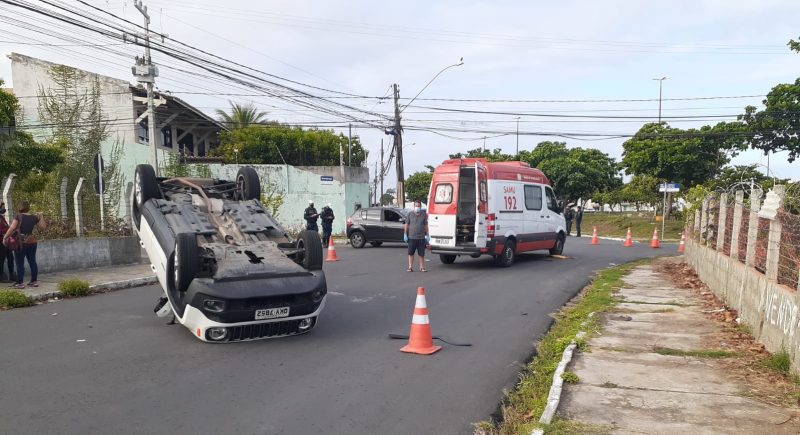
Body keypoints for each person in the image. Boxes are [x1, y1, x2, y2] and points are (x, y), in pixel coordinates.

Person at [3, 201, 46, 289]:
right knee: (32, 261)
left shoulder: (18, 216)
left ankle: (20, 283)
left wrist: (5, 237)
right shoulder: (34, 217)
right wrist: (41, 217)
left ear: (20, 207)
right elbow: (43, 227)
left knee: (20, 263)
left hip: (20, 243)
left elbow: (12, 228)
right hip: (32, 241)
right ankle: (34, 281)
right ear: (28, 207)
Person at [403, 200, 430, 272]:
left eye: (418, 206)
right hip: (411, 237)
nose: (417, 207)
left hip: (421, 238)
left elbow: (426, 225)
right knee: (410, 253)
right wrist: (405, 234)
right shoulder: (410, 214)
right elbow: (406, 224)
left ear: (420, 206)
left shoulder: (423, 215)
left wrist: (428, 234)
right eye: (416, 206)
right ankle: (410, 267)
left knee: (421, 254)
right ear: (414, 206)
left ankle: (422, 267)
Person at [0, 203, 15, 282]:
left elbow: (7, 227)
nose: (4, 209)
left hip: (6, 241)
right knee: (1, 259)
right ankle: (1, 277)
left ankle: (12, 275)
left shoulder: (2, 217)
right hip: (1, 242)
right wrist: (6, 232)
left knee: (10, 258)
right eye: (2, 207)